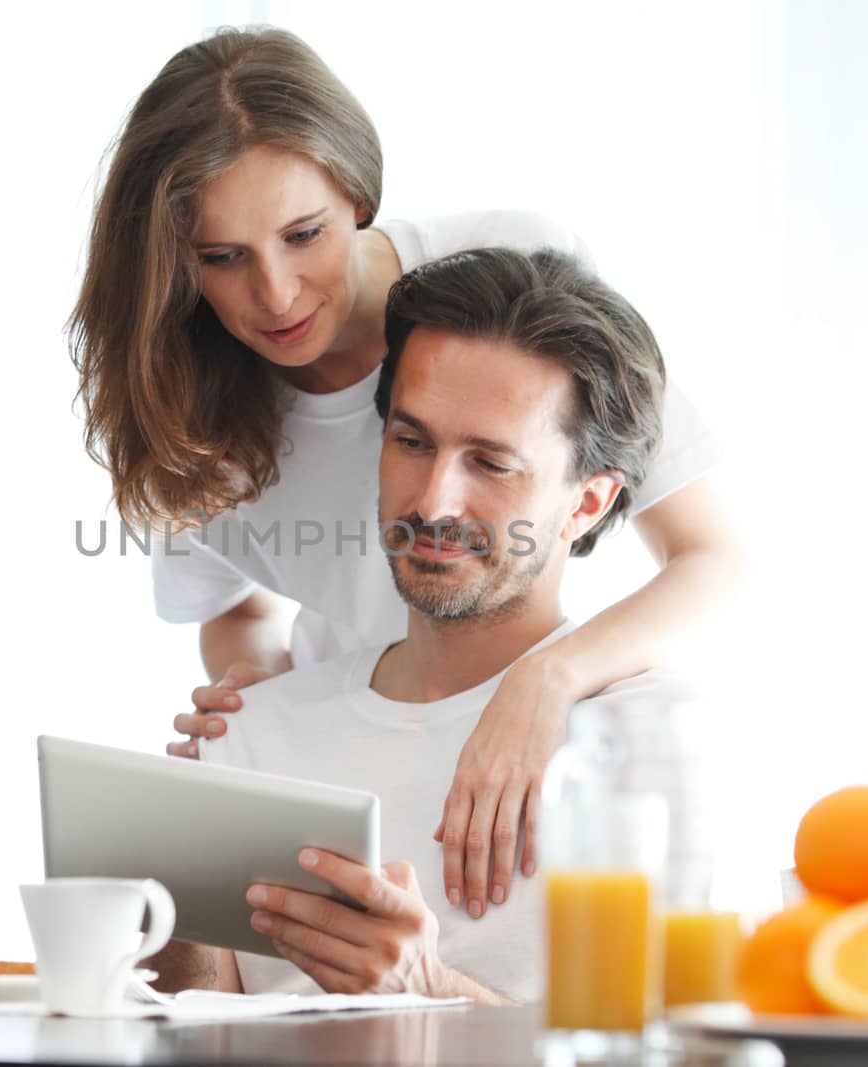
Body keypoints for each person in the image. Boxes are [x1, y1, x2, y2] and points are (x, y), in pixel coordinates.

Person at [68, 27, 742, 919]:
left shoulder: (508, 283)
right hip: (349, 782)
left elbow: (715, 556)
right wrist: (265, 715)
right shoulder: (191, 409)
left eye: (303, 235)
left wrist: (543, 683)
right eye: (222, 257)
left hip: (520, 734)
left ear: (356, 194)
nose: (275, 294)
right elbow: (234, 606)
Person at [150, 247, 703, 1002]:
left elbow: (671, 1054)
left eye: (491, 463)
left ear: (587, 504)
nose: (434, 502)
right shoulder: (258, 734)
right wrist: (162, 887)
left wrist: (429, 992)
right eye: (412, 442)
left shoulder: (651, 742)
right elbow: (194, 1021)